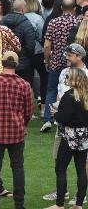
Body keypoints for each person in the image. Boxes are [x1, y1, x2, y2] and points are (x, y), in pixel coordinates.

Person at [0, 50, 33, 209]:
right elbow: (29, 111)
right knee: (18, 167)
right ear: (16, 65)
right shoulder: (24, 84)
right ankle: (19, 204)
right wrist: (23, 124)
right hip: (16, 132)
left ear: (2, 63)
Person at [49, 68, 88, 209]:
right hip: (84, 137)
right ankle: (78, 204)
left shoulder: (69, 96)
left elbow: (63, 118)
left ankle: (59, 204)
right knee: (81, 170)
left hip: (69, 137)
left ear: (74, 79)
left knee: (60, 169)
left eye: (69, 77)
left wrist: (55, 114)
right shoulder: (86, 96)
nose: (68, 79)